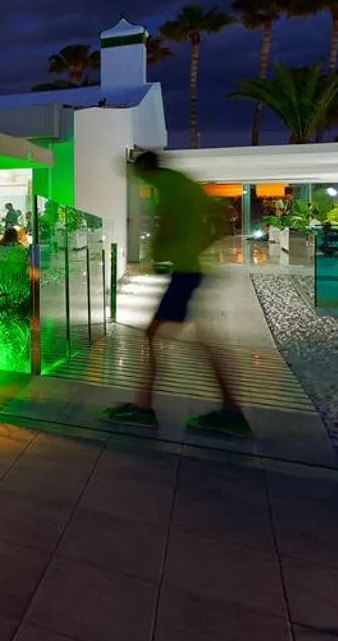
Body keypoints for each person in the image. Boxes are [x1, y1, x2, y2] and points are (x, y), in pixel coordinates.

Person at [102, 151, 249, 437]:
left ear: (144, 169)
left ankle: (144, 409)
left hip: (184, 274)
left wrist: (158, 256)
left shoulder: (165, 187)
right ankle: (231, 411)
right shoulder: (185, 183)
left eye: (135, 173)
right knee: (203, 343)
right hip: (192, 271)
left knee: (154, 337)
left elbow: (167, 221)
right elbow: (224, 217)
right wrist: (198, 248)